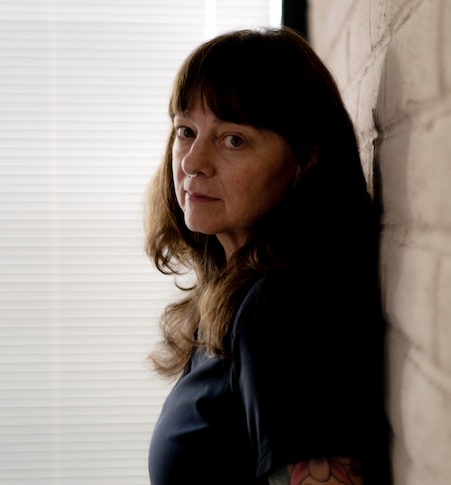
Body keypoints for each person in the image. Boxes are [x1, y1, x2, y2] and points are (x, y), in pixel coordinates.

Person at [144, 28, 390, 485]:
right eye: (186, 131)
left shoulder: (283, 309)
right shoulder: (235, 292)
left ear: (306, 161)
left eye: (233, 139)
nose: (193, 161)